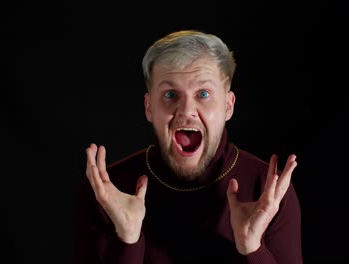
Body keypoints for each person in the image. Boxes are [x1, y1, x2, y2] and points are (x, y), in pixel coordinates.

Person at [73, 30, 302, 264]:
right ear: (149, 107)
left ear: (228, 106)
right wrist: (126, 240)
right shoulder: (108, 191)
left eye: (203, 94)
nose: (186, 110)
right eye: (170, 94)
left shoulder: (268, 191)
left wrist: (253, 249)